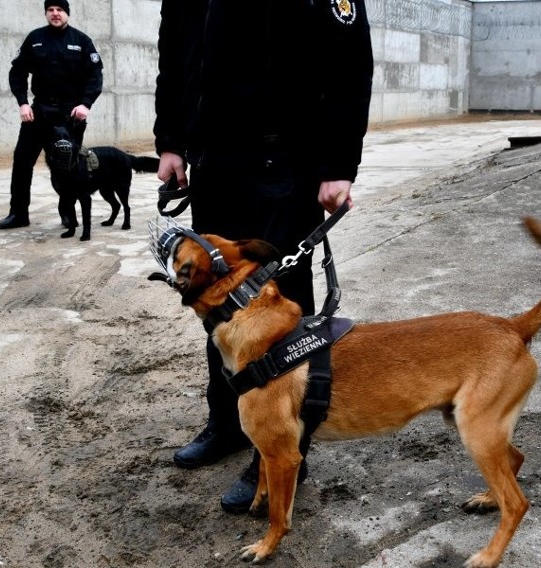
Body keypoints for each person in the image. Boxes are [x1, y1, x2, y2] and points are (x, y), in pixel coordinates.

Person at [153, 0, 373, 514]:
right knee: (216, 302)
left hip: (284, 162)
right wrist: (172, 140)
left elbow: (349, 62)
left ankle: (280, 445)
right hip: (214, 161)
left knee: (278, 310)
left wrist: (339, 163)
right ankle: (229, 423)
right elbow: (175, 53)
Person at [0, 0, 103, 230]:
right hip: (39, 113)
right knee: (22, 161)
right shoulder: (34, 39)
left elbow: (95, 76)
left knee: (67, 166)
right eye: (51, 10)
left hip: (69, 115)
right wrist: (23, 103)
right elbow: (17, 73)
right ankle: (18, 214)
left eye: (60, 10)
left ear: (67, 14)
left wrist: (86, 104)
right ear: (46, 13)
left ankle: (67, 214)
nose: (55, 14)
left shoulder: (81, 41)